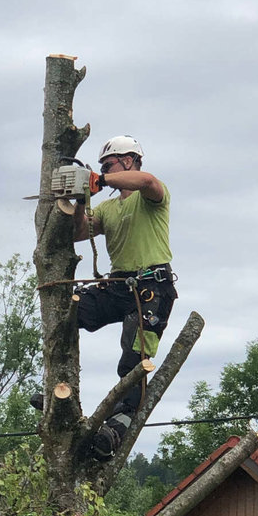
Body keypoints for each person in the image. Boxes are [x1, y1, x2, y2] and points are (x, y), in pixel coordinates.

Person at [74, 135, 176, 460]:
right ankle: (62, 395)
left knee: (132, 364)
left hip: (151, 289)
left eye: (109, 165)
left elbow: (147, 181)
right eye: (103, 168)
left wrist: (98, 180)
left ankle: (114, 431)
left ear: (128, 161)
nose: (104, 172)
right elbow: (78, 233)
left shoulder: (150, 197)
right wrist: (79, 199)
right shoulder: (107, 208)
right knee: (70, 311)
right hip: (119, 287)